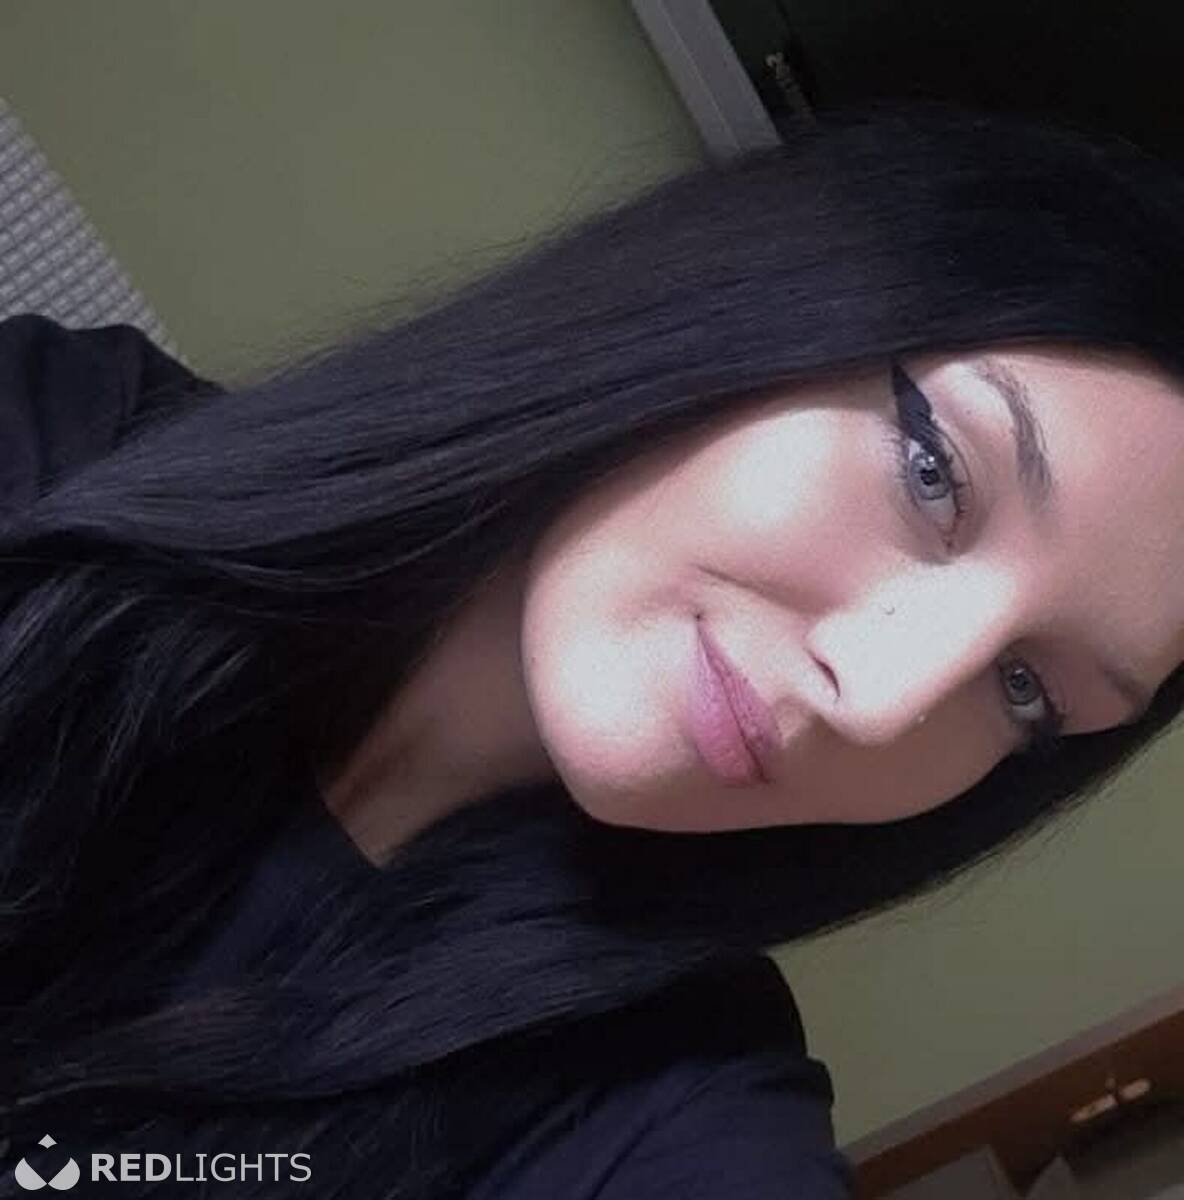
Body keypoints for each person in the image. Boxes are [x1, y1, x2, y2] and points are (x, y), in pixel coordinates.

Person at [2, 98, 1183, 1198]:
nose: (880, 701)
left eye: (1023, 690)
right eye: (932, 473)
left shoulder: (661, 1103)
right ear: (761, 298)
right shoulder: (54, 446)